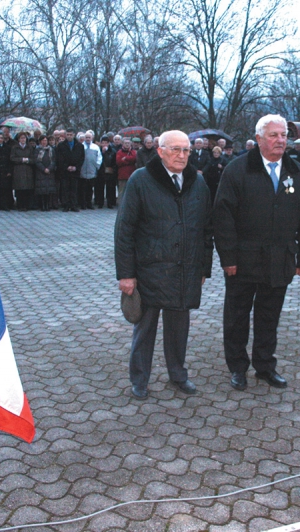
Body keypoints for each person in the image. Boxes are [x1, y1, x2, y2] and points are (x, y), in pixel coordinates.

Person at [213, 114, 300, 390]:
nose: (281, 140)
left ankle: (265, 366)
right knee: (237, 316)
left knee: (269, 316)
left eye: (283, 135)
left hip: (280, 259)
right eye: (274, 135)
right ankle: (237, 366)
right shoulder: (237, 170)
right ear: (258, 139)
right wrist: (228, 258)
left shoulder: (298, 173)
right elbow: (222, 218)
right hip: (243, 260)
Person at [114, 130, 213, 400]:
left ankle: (178, 374)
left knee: (179, 328)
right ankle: (140, 379)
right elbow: (124, 230)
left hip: (184, 270)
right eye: (176, 149)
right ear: (160, 150)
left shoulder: (197, 182)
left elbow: (206, 228)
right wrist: (126, 274)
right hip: (149, 270)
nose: (182, 155)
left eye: (186, 150)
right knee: (144, 328)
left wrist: (204, 267)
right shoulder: (141, 180)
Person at [55, 128, 85, 212]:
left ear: (74, 135)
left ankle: (74, 205)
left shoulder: (79, 145)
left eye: (71, 134)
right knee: (65, 189)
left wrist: (76, 167)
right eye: (67, 134)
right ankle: (66, 205)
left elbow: (82, 158)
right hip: (65, 171)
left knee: (74, 189)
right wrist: (66, 167)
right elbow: (59, 158)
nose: (69, 136)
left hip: (75, 171)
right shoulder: (61, 145)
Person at [10, 132, 35, 211]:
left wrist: (28, 160)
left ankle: (26, 205)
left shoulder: (29, 147)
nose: (23, 139)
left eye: (24, 138)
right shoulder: (15, 148)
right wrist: (21, 160)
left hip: (28, 170)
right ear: (18, 139)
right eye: (21, 138)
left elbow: (33, 159)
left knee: (27, 189)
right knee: (19, 189)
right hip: (18, 170)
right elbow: (12, 158)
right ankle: (20, 205)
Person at [79, 130, 101, 209]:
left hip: (92, 170)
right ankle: (83, 204)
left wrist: (96, 166)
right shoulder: (81, 146)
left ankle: (89, 203)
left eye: (89, 137)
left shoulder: (95, 147)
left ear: (92, 138)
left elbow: (99, 158)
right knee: (82, 189)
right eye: (86, 137)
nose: (88, 139)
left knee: (90, 189)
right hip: (82, 170)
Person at [34, 135, 56, 211]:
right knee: (42, 190)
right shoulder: (37, 150)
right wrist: (43, 169)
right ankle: (42, 205)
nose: (44, 142)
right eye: (43, 140)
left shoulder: (51, 150)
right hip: (41, 172)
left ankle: (48, 205)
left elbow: (53, 161)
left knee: (48, 190)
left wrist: (49, 168)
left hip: (50, 172)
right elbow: (37, 161)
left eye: (46, 140)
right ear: (40, 141)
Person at [96, 136, 116, 208]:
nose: (104, 145)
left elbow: (114, 162)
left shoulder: (112, 151)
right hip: (101, 172)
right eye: (103, 143)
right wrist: (103, 152)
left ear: (108, 143)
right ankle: (100, 203)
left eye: (106, 143)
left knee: (110, 188)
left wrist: (113, 169)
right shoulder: (98, 150)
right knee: (100, 188)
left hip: (109, 171)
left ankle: (109, 203)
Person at [115, 138, 137, 202]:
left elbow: (134, 158)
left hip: (131, 174)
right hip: (122, 175)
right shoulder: (119, 152)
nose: (127, 144)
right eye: (125, 143)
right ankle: (121, 204)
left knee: (132, 191)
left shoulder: (133, 152)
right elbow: (119, 162)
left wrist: (126, 158)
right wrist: (130, 161)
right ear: (122, 144)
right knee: (122, 191)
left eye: (128, 143)